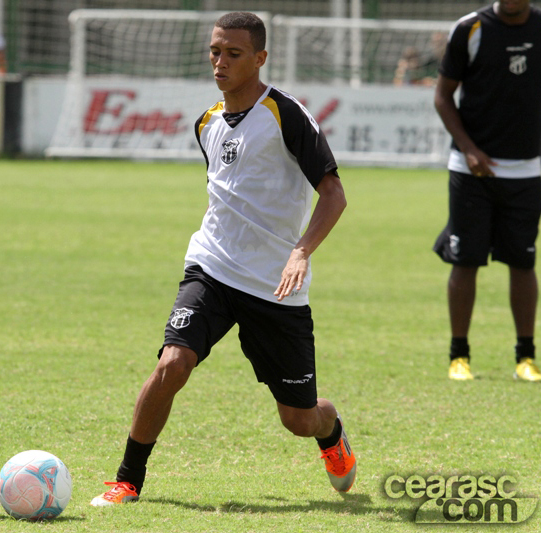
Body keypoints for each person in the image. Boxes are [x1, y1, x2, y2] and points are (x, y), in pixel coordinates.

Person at [90, 12, 354, 506]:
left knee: (298, 419)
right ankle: (128, 479)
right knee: (173, 362)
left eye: (233, 53)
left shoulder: (286, 114)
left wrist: (301, 252)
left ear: (260, 58)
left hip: (275, 284)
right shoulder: (207, 122)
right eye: (215, 51)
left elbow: (334, 194)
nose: (220, 61)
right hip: (210, 268)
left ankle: (330, 427)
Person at [433, 0, 541, 382]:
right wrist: (468, 148)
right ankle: (459, 356)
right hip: (471, 170)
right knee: (465, 260)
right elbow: (442, 96)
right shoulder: (469, 29)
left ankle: (525, 358)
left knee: (523, 262)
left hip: (526, 169)